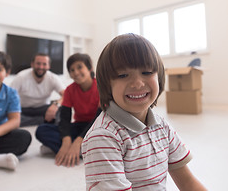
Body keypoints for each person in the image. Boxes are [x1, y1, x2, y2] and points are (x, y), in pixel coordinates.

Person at [81, 34, 207, 190]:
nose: (138, 83)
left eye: (147, 72)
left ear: (159, 77)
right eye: (123, 75)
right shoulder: (103, 137)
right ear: (107, 84)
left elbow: (187, 182)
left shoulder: (162, 126)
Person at [35, 53, 101, 167]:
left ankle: (74, 149)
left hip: (96, 128)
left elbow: (99, 119)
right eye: (72, 70)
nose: (76, 72)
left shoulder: (101, 87)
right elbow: (65, 119)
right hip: (79, 126)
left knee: (104, 139)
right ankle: (79, 151)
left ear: (89, 67)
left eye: (79, 67)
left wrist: (78, 141)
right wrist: (66, 140)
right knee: (41, 130)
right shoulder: (70, 90)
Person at [10, 53, 65, 127]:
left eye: (44, 64)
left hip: (43, 108)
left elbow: (66, 95)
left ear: (48, 66)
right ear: (32, 64)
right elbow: (9, 96)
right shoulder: (21, 76)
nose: (41, 67)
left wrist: (55, 105)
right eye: (38, 63)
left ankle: (35, 120)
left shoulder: (53, 78)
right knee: (10, 117)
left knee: (62, 110)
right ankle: (41, 120)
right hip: (23, 109)